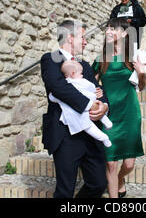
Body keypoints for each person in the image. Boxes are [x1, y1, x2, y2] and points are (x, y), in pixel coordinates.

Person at [40, 20, 109, 198]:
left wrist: (103, 106)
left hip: (90, 135)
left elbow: (98, 90)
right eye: (82, 37)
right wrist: (90, 104)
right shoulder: (50, 59)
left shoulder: (84, 66)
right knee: (65, 191)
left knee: (99, 183)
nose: (85, 41)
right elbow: (59, 87)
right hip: (65, 136)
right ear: (70, 38)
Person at [92, 17, 146, 198]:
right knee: (111, 164)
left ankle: (120, 179)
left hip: (130, 113)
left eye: (113, 29)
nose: (108, 32)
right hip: (108, 116)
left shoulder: (133, 57)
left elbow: (142, 86)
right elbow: (90, 83)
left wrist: (141, 73)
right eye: (107, 29)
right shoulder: (101, 59)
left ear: (124, 33)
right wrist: (96, 92)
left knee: (129, 164)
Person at [49, 60, 113, 148]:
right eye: (80, 73)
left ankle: (106, 128)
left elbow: (94, 86)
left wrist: (98, 94)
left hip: (91, 105)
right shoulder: (66, 82)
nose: (82, 75)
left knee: (93, 117)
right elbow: (57, 93)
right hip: (78, 112)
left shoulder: (82, 76)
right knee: (89, 125)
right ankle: (104, 135)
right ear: (72, 73)